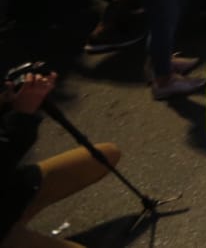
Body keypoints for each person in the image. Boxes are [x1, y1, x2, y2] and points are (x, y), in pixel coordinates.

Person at [1, 67, 123, 248]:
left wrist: (9, 103)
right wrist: (22, 115)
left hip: (13, 191)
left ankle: (21, 220)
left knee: (107, 154)